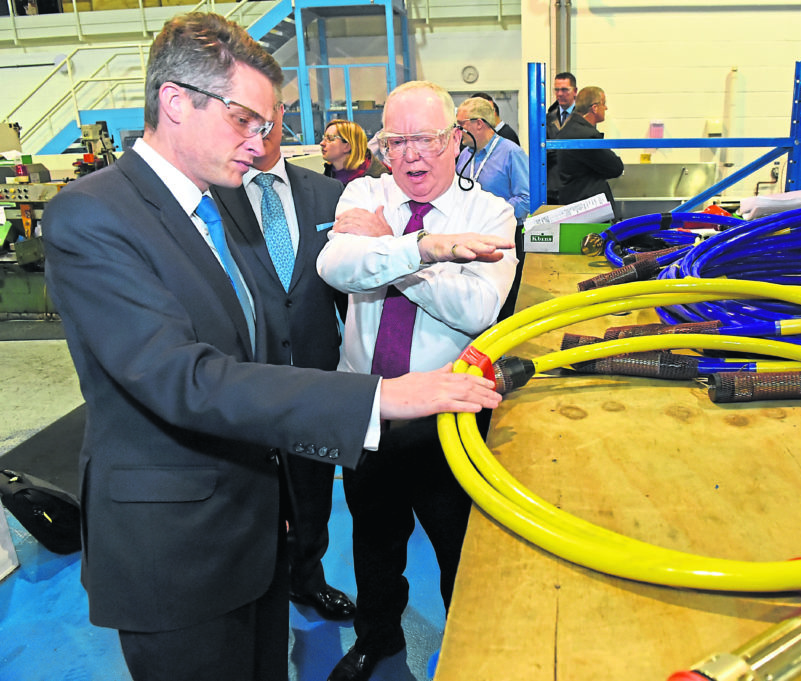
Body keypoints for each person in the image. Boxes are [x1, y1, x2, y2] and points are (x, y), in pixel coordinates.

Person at [42, 13, 503, 681]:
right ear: (175, 101)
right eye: (244, 121)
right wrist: (382, 394)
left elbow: (265, 351)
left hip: (253, 530)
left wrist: (286, 506)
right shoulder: (94, 216)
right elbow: (186, 379)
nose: (261, 143)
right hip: (177, 552)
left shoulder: (212, 207)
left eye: (267, 125)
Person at [317, 80, 517, 681]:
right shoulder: (362, 190)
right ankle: (377, 640)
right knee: (373, 544)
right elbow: (336, 265)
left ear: (455, 140)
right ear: (380, 147)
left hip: (448, 418)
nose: (412, 156)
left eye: (427, 138)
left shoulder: (490, 212)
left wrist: (395, 247)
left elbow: (477, 311)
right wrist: (429, 250)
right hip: (368, 408)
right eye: (396, 141)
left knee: (460, 549)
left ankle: (467, 654)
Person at [210, 102, 355, 622]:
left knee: (313, 487)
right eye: (247, 120)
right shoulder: (212, 195)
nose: (259, 132)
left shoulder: (328, 194)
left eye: (268, 120)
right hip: (246, 380)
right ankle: (258, 588)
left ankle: (307, 578)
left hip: (317, 373)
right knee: (254, 494)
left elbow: (349, 291)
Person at [456, 96, 530, 222]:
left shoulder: (511, 153)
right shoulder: (464, 155)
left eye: (462, 124)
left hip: (504, 233)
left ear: (479, 124)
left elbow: (527, 199)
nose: (458, 129)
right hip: (469, 231)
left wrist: (492, 214)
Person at [554, 85, 624, 216]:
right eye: (604, 103)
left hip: (573, 204)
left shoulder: (567, 130)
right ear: (595, 107)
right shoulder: (586, 136)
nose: (606, 108)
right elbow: (615, 168)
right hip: (589, 209)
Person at [321, 118, 389, 188]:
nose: (322, 143)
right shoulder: (330, 171)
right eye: (324, 138)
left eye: (330, 139)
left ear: (347, 146)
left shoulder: (377, 179)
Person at [545, 71, 576, 203]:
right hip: (552, 189)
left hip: (575, 187)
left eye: (564, 90)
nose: (559, 94)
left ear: (575, 91)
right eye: (557, 90)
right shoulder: (547, 119)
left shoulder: (585, 117)